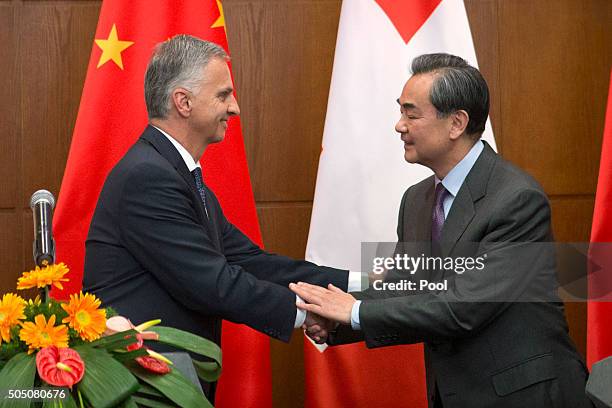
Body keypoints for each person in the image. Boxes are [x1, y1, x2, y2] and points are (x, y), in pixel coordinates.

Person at [291, 53, 592, 408]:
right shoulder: (416, 200)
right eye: (401, 111)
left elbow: (463, 307)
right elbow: (406, 290)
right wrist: (335, 323)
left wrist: (353, 311)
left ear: (456, 123)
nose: (399, 125)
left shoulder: (516, 199)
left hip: (524, 395)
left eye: (411, 113)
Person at [83, 34, 358, 398]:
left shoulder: (177, 175)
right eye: (223, 95)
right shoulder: (148, 177)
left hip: (168, 381)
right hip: (141, 386)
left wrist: (363, 283)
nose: (235, 108)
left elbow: (253, 263)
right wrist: (314, 314)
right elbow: (214, 283)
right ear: (183, 102)